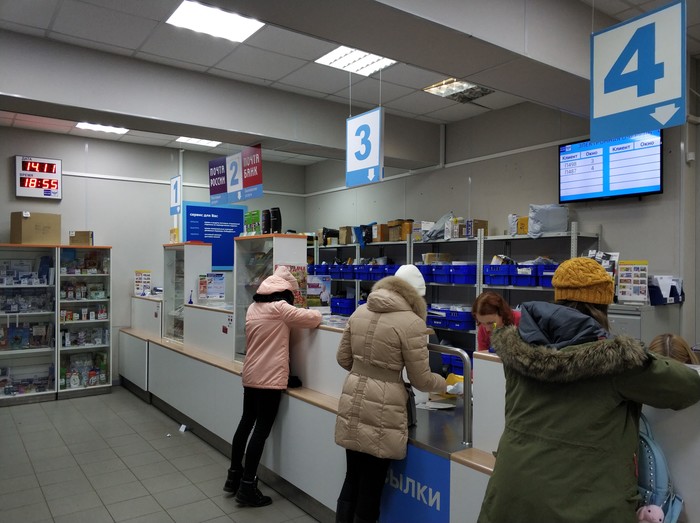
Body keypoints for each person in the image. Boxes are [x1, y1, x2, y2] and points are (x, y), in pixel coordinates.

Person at [477, 257, 700, 523]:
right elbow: (687, 386)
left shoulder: (517, 353)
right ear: (602, 306)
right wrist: (637, 354)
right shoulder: (616, 362)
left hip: (508, 499)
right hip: (581, 509)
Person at [334, 264, 447, 523]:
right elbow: (421, 380)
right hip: (383, 409)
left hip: (353, 398)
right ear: (415, 295)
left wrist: (365, 372)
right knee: (372, 485)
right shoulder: (412, 323)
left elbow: (343, 358)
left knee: (352, 476)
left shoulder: (360, 311)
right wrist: (445, 384)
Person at [223, 265, 322, 507]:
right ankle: (248, 486)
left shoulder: (253, 307)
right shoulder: (280, 308)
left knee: (245, 423)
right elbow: (313, 319)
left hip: (250, 373)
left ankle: (233, 476)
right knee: (261, 430)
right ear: (285, 291)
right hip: (269, 379)